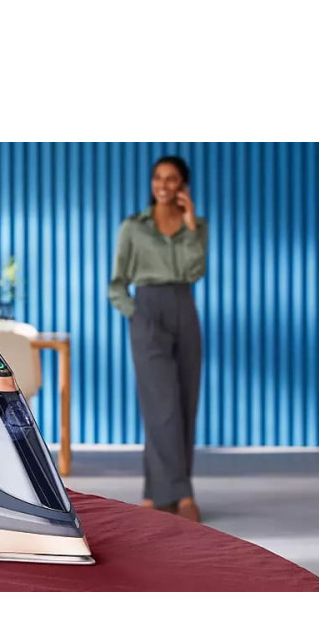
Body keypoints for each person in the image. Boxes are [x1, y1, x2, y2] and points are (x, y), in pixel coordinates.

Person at [108, 156, 208, 522]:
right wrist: (137, 315)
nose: (163, 184)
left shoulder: (196, 226)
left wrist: (191, 224)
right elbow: (117, 283)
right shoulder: (134, 227)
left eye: (171, 179)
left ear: (183, 185)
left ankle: (155, 496)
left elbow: (194, 271)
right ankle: (182, 495)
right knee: (161, 406)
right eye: (158, 177)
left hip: (184, 307)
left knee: (184, 405)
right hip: (148, 309)